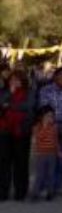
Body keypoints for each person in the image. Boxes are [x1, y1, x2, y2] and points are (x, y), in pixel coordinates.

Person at [37, 67, 62, 193]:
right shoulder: (46, 91)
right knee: (48, 160)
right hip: (50, 128)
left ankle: (56, 187)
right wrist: (51, 125)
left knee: (61, 160)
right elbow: (44, 109)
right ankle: (44, 186)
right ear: (55, 77)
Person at [0, 70, 35, 202]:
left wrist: (9, 105)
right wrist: (10, 93)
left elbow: (29, 106)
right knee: (4, 163)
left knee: (21, 163)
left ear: (23, 80)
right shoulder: (4, 91)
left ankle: (20, 192)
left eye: (17, 79)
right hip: (5, 131)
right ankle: (3, 191)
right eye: (12, 79)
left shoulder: (29, 92)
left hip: (22, 131)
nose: (14, 82)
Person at [31, 106, 60, 201]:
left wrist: (57, 150)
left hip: (52, 154)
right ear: (41, 117)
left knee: (51, 174)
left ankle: (50, 193)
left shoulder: (55, 127)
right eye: (48, 116)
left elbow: (55, 140)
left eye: (52, 116)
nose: (50, 118)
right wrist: (44, 126)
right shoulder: (37, 127)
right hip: (41, 154)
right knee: (40, 175)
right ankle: (35, 193)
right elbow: (38, 138)